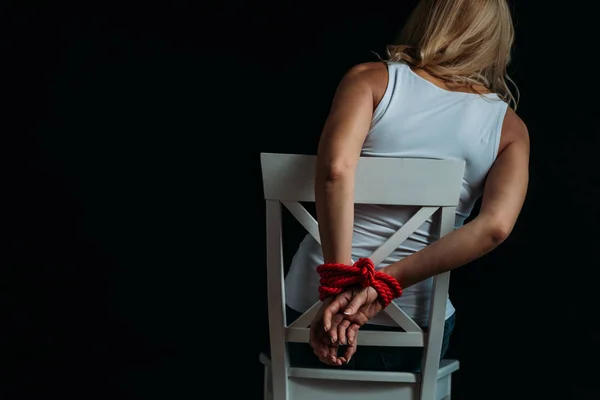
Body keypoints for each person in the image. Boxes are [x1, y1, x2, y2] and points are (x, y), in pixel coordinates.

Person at [283, 0, 529, 371]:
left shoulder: (368, 79)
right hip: (416, 322)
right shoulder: (510, 128)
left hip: (309, 306)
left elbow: (335, 171)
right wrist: (383, 286)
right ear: (495, 40)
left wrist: (338, 283)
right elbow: (495, 227)